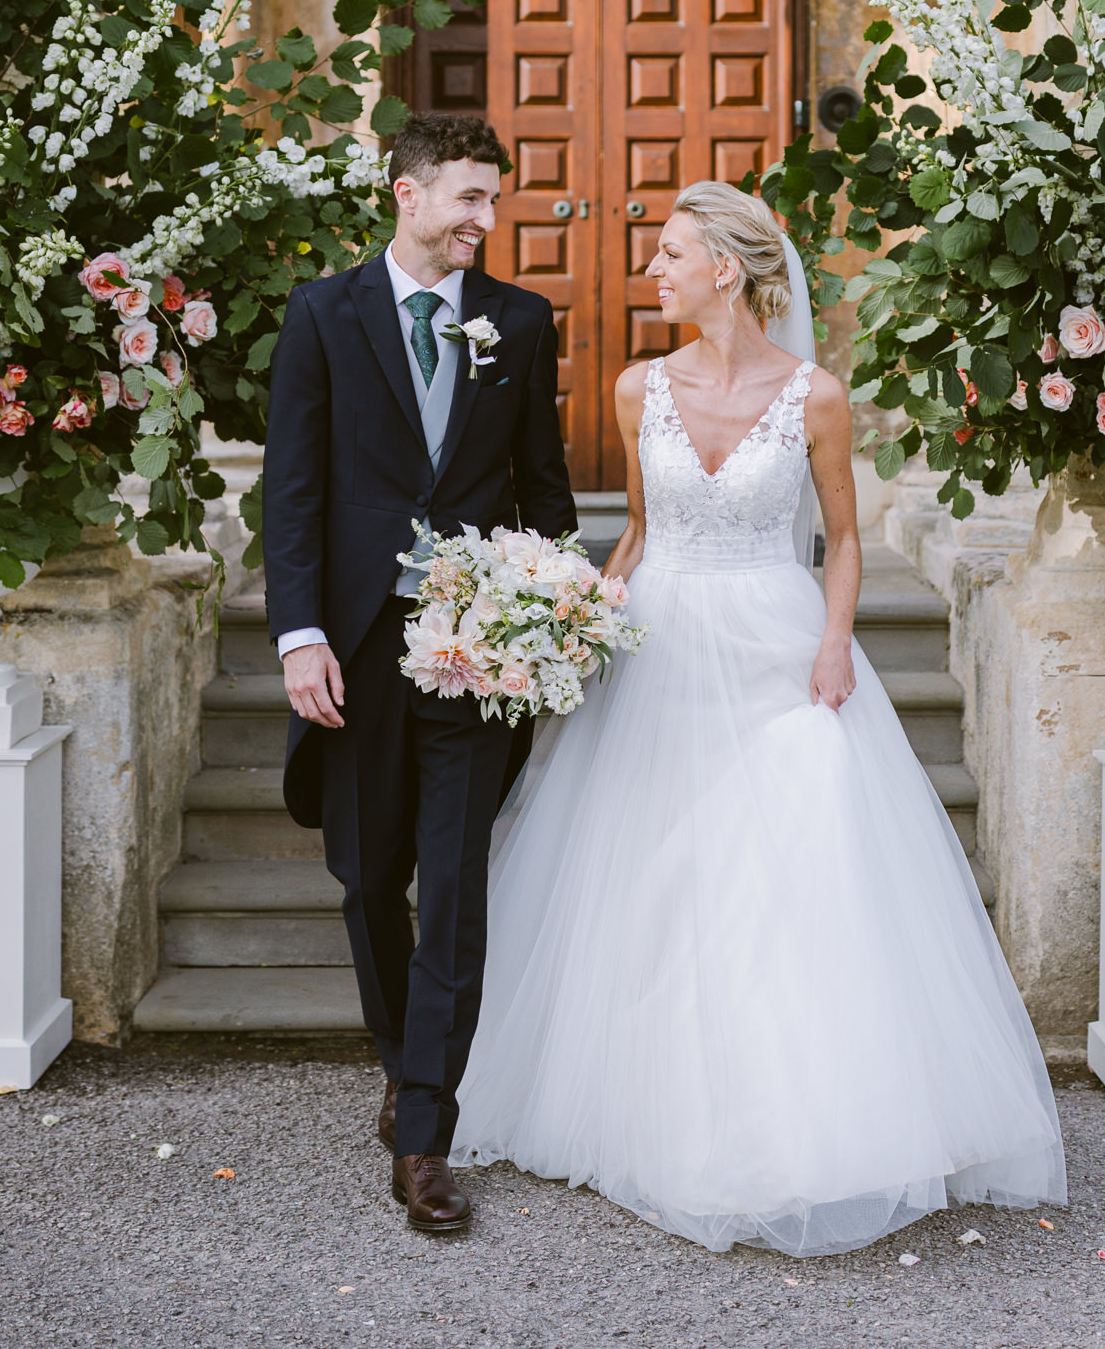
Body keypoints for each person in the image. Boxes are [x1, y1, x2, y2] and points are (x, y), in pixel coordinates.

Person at [450, 180, 1065, 1256]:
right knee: (657, 869)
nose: (654, 269)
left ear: (725, 269)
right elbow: (637, 532)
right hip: (663, 643)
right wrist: (579, 612)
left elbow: (844, 536)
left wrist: (835, 642)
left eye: (671, 253)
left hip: (779, 642)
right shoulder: (637, 387)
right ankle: (661, 1105)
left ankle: (808, 1116)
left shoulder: (815, 395)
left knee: (786, 860)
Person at [260, 113, 576, 1234]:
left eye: (495, 201)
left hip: (476, 647)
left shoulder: (520, 322)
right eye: (469, 200)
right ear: (407, 192)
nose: (486, 223)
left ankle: (425, 1131)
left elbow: (540, 484)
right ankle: (406, 1058)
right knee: (367, 871)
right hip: (354, 644)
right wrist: (298, 632)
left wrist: (556, 611)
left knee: (451, 877)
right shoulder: (323, 314)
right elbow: (291, 488)